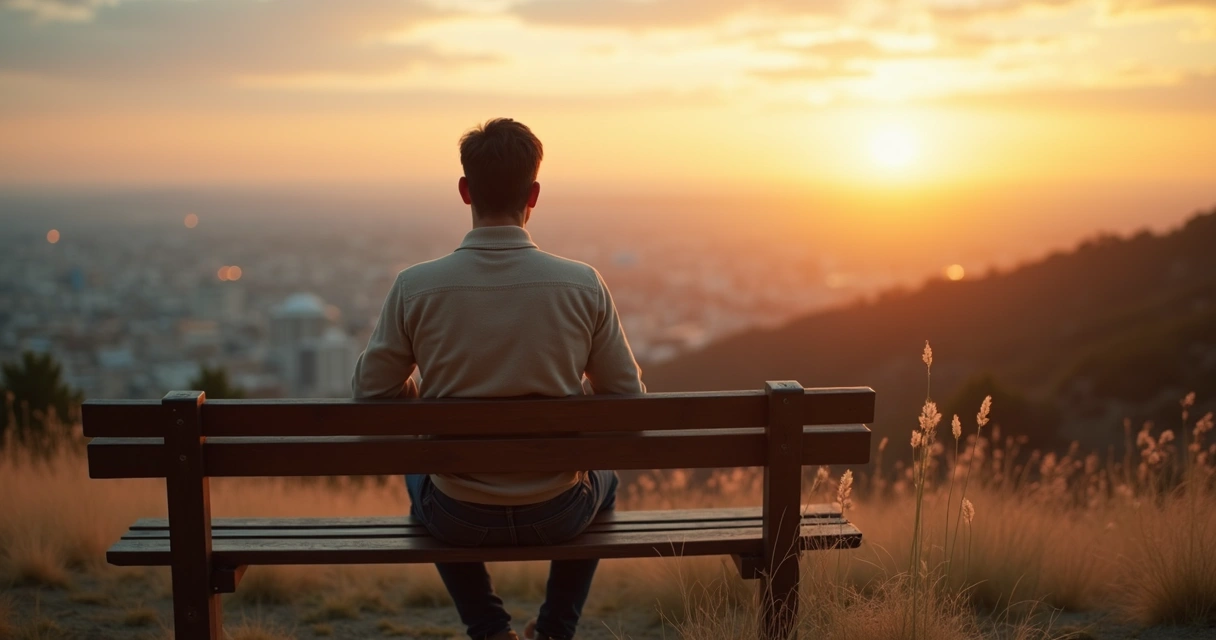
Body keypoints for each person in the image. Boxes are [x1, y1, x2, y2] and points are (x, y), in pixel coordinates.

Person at [352, 118, 646, 640]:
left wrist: (420, 396)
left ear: (465, 190)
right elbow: (627, 403)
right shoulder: (583, 285)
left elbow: (371, 395)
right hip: (558, 510)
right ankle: (555, 629)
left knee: (418, 474)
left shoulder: (415, 287)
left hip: (457, 513)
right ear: (534, 194)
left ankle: (489, 629)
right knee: (608, 481)